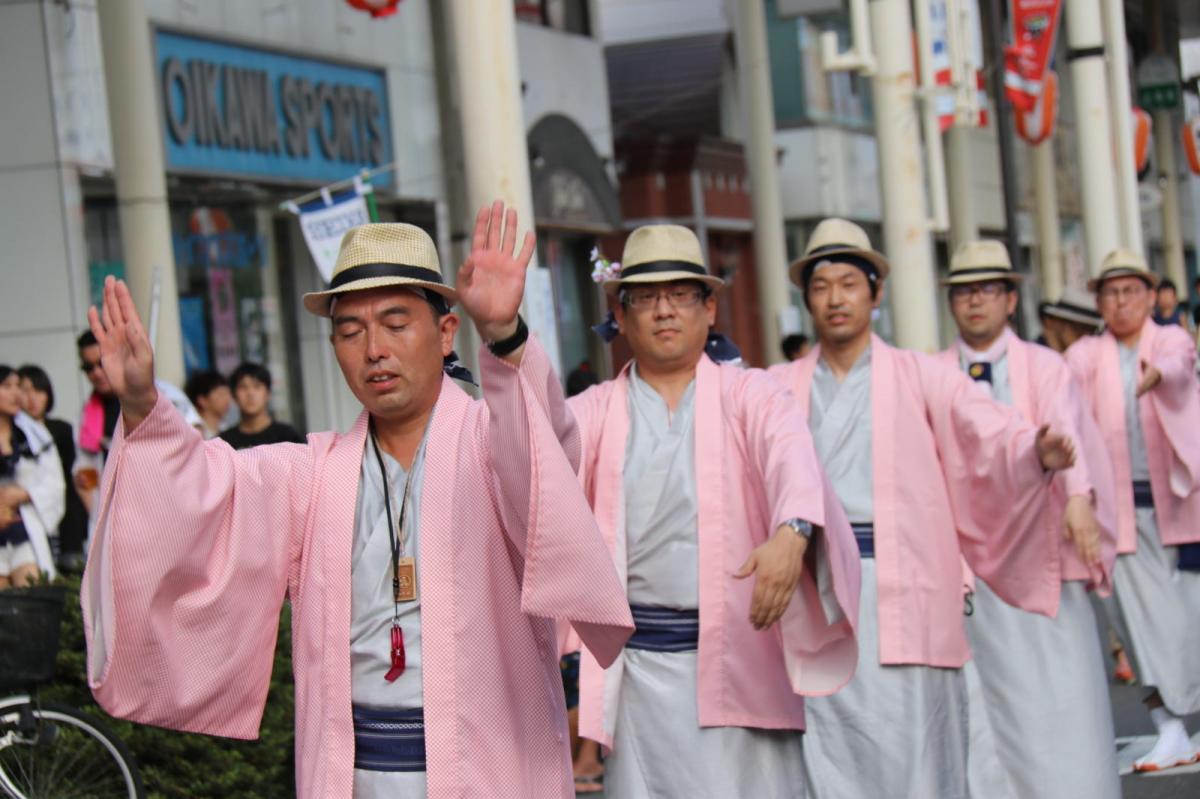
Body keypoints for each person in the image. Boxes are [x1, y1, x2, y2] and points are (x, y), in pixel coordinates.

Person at [80, 203, 634, 798]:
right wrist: (141, 405)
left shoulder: (490, 443)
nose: (373, 349)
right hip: (350, 771)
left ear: (445, 331)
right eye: (350, 331)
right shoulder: (310, 473)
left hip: (490, 765)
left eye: (396, 324)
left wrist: (505, 337)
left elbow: (543, 460)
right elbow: (198, 489)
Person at [769, 219, 1077, 799]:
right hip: (821, 585)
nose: (835, 298)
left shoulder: (923, 376)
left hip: (906, 580)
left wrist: (1033, 449)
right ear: (806, 297)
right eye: (821, 285)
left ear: (875, 293)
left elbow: (988, 431)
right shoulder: (777, 386)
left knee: (921, 751)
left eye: (849, 283)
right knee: (828, 748)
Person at [567, 224, 860, 798]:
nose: (664, 312)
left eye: (679, 295)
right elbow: (537, 466)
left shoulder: (753, 394)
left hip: (739, 652)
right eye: (646, 298)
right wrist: (506, 342)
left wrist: (792, 531)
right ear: (620, 316)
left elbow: (791, 457)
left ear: (709, 307)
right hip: (640, 668)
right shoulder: (594, 411)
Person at [936, 240, 1121, 799]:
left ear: (1010, 299)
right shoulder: (934, 372)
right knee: (984, 706)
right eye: (964, 291)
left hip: (1042, 559)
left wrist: (1078, 497)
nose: (975, 303)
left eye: (987, 290)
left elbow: (1065, 436)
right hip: (972, 569)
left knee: (1062, 700)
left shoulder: (1043, 366)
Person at [1065, 248, 1200, 773]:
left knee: (1188, 619)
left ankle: (1183, 724)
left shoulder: (1169, 339)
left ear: (1148, 295)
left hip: (1181, 508)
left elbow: (1178, 365)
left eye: (1130, 291)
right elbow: (1060, 400)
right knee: (1135, 624)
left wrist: (1156, 376)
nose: (1121, 302)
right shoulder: (1084, 355)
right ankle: (1168, 725)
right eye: (1111, 293)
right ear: (1099, 301)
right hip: (1116, 515)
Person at [75, 331, 202, 518]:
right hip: (117, 517)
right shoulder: (88, 414)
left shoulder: (159, 394)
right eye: (88, 367)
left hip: (166, 508)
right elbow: (84, 473)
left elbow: (196, 437)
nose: (96, 373)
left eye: (101, 364)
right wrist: (97, 517)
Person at [17, 365, 88, 572]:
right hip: (30, 516)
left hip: (68, 517)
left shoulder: (63, 430)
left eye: (38, 391)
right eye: (24, 390)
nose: (31, 398)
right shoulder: (14, 434)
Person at [0, 365, 64, 587]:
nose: (17, 393)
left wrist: (25, 494)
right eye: (7, 386)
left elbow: (55, 485)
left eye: (19, 386)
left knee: (32, 602)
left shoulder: (34, 435)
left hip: (24, 534)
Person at [219, 363, 304, 449]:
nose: (250, 393)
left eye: (257, 386)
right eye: (243, 387)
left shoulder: (287, 437)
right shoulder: (224, 443)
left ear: (268, 394)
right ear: (234, 396)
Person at [1038, 286, 1103, 354]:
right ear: (1051, 321)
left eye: (1091, 332)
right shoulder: (1032, 359)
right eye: (1078, 328)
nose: (1085, 338)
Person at [184, 369, 232, 439]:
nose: (227, 399)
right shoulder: (191, 429)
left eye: (228, 394)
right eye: (221, 394)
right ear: (202, 400)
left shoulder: (226, 428)